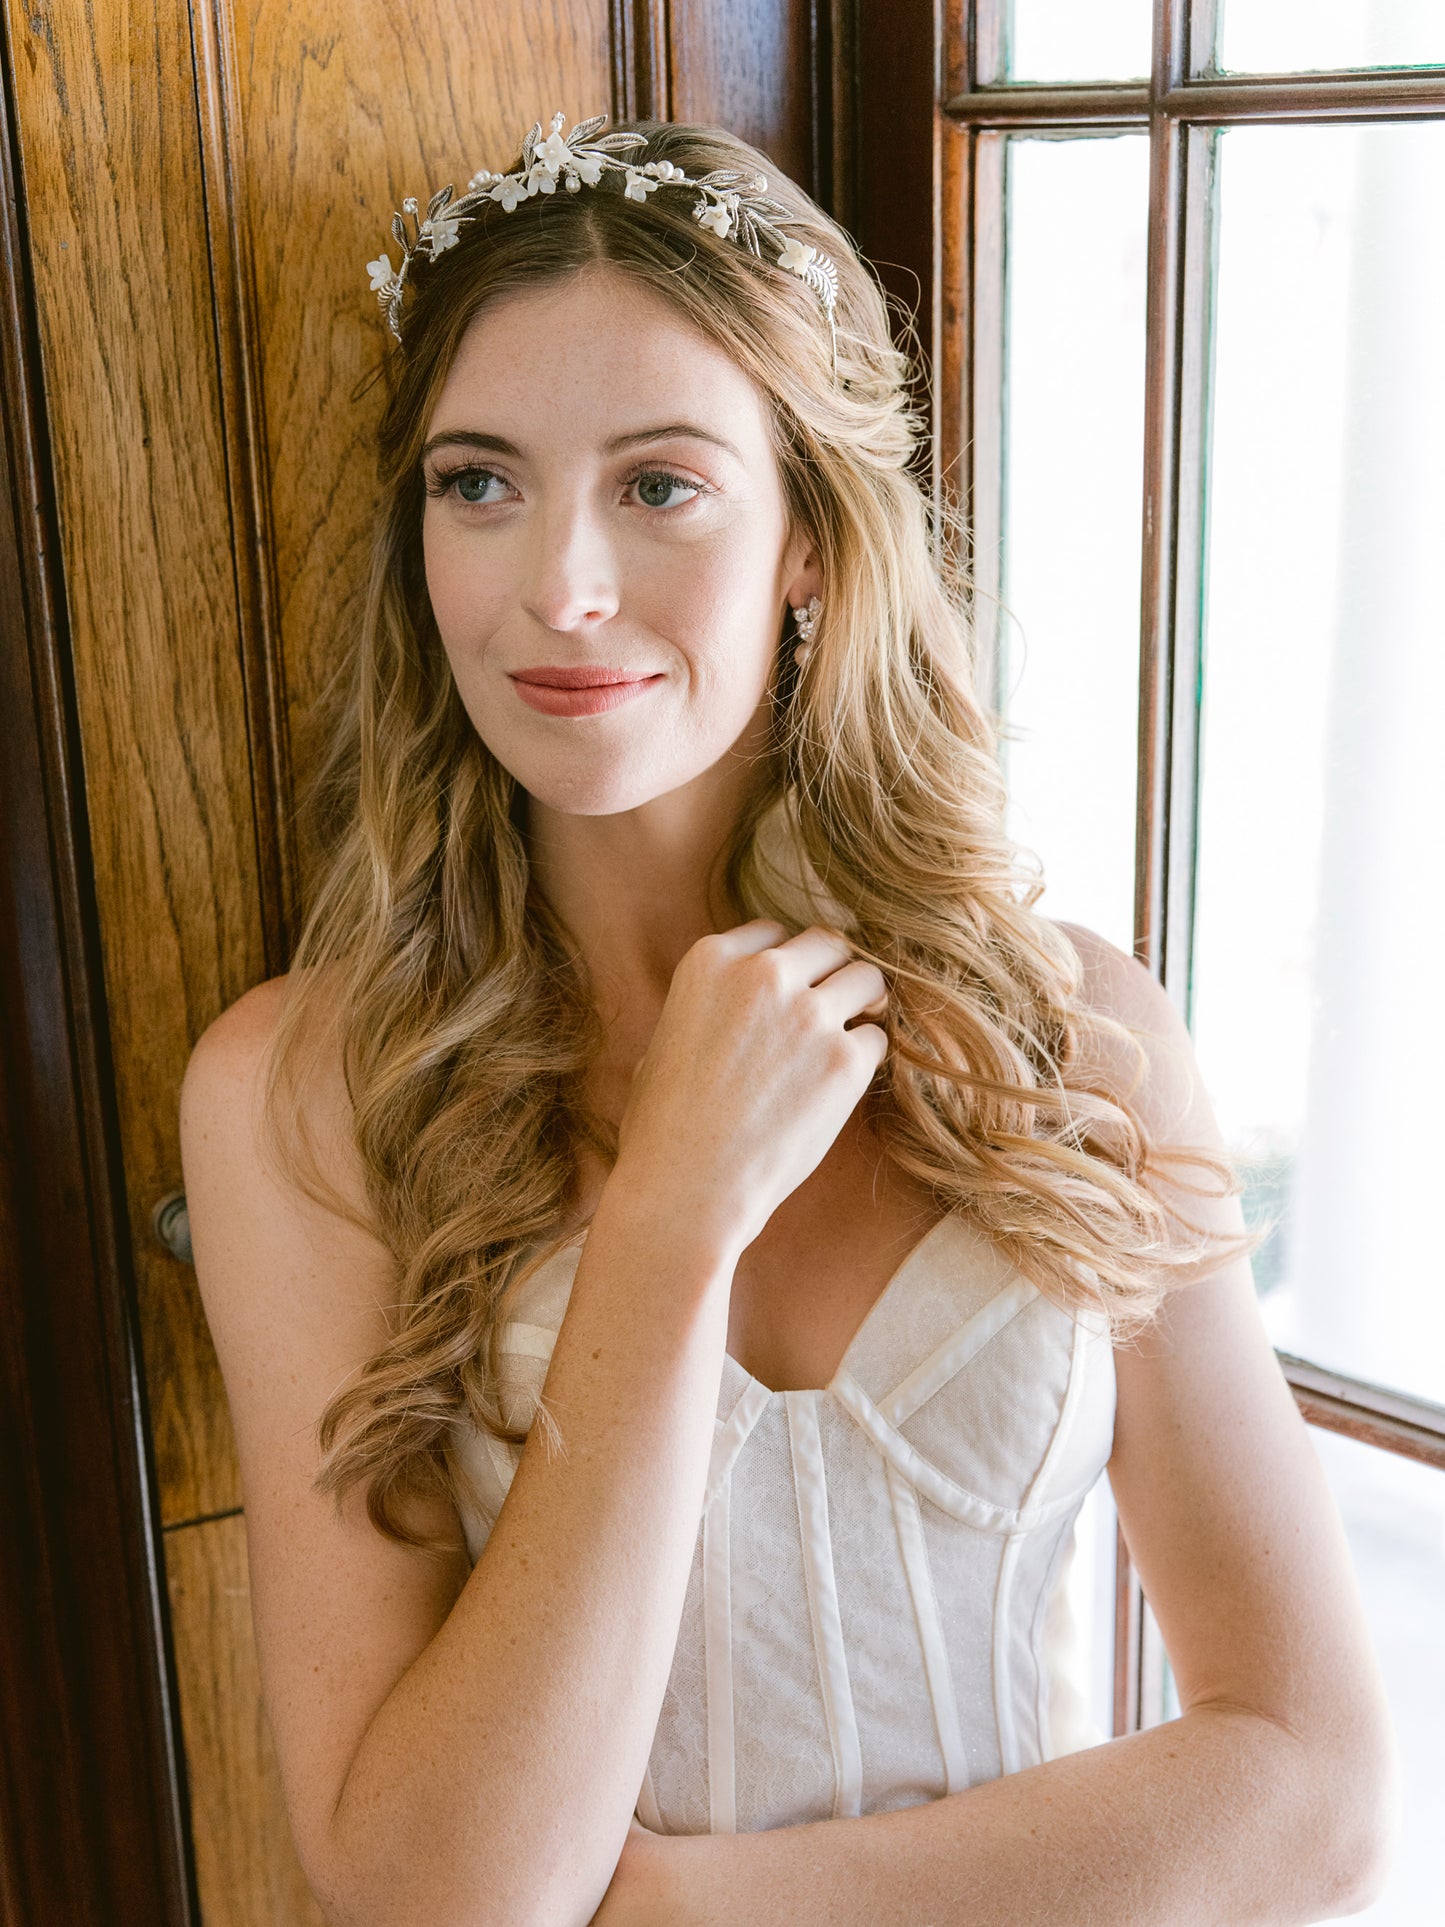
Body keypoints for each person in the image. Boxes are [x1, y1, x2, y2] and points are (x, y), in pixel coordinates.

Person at [178, 112, 1395, 1926]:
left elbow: (1314, 1793)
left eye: (659, 487)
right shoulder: (307, 1093)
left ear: (809, 539)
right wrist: (667, 1228)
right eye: (479, 483)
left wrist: (698, 1912)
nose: (558, 589)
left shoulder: (1077, 1041)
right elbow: (438, 1894)